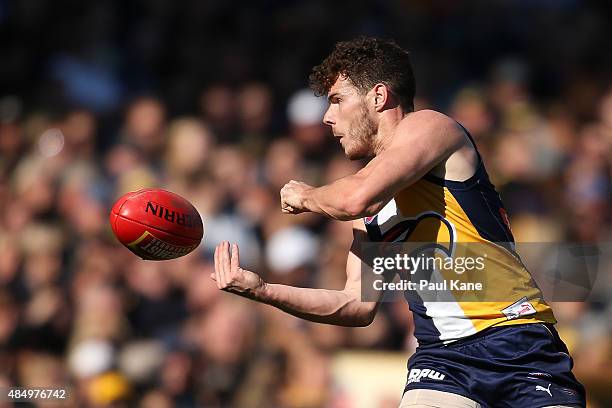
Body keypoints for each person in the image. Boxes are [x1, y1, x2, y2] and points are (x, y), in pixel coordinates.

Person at [211, 37, 586, 407]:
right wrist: (262, 290)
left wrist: (306, 195)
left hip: (518, 342)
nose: (327, 117)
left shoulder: (431, 127)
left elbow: (356, 196)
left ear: (378, 96)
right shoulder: (366, 204)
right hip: (443, 363)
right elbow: (354, 305)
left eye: (337, 100)